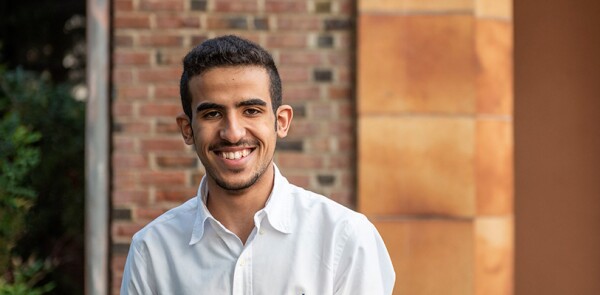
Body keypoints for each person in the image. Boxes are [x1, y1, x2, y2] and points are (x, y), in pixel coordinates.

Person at [120, 35, 395, 294]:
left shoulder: (344, 238)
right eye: (213, 113)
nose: (233, 133)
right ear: (187, 129)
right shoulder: (152, 250)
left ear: (282, 121)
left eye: (251, 111)